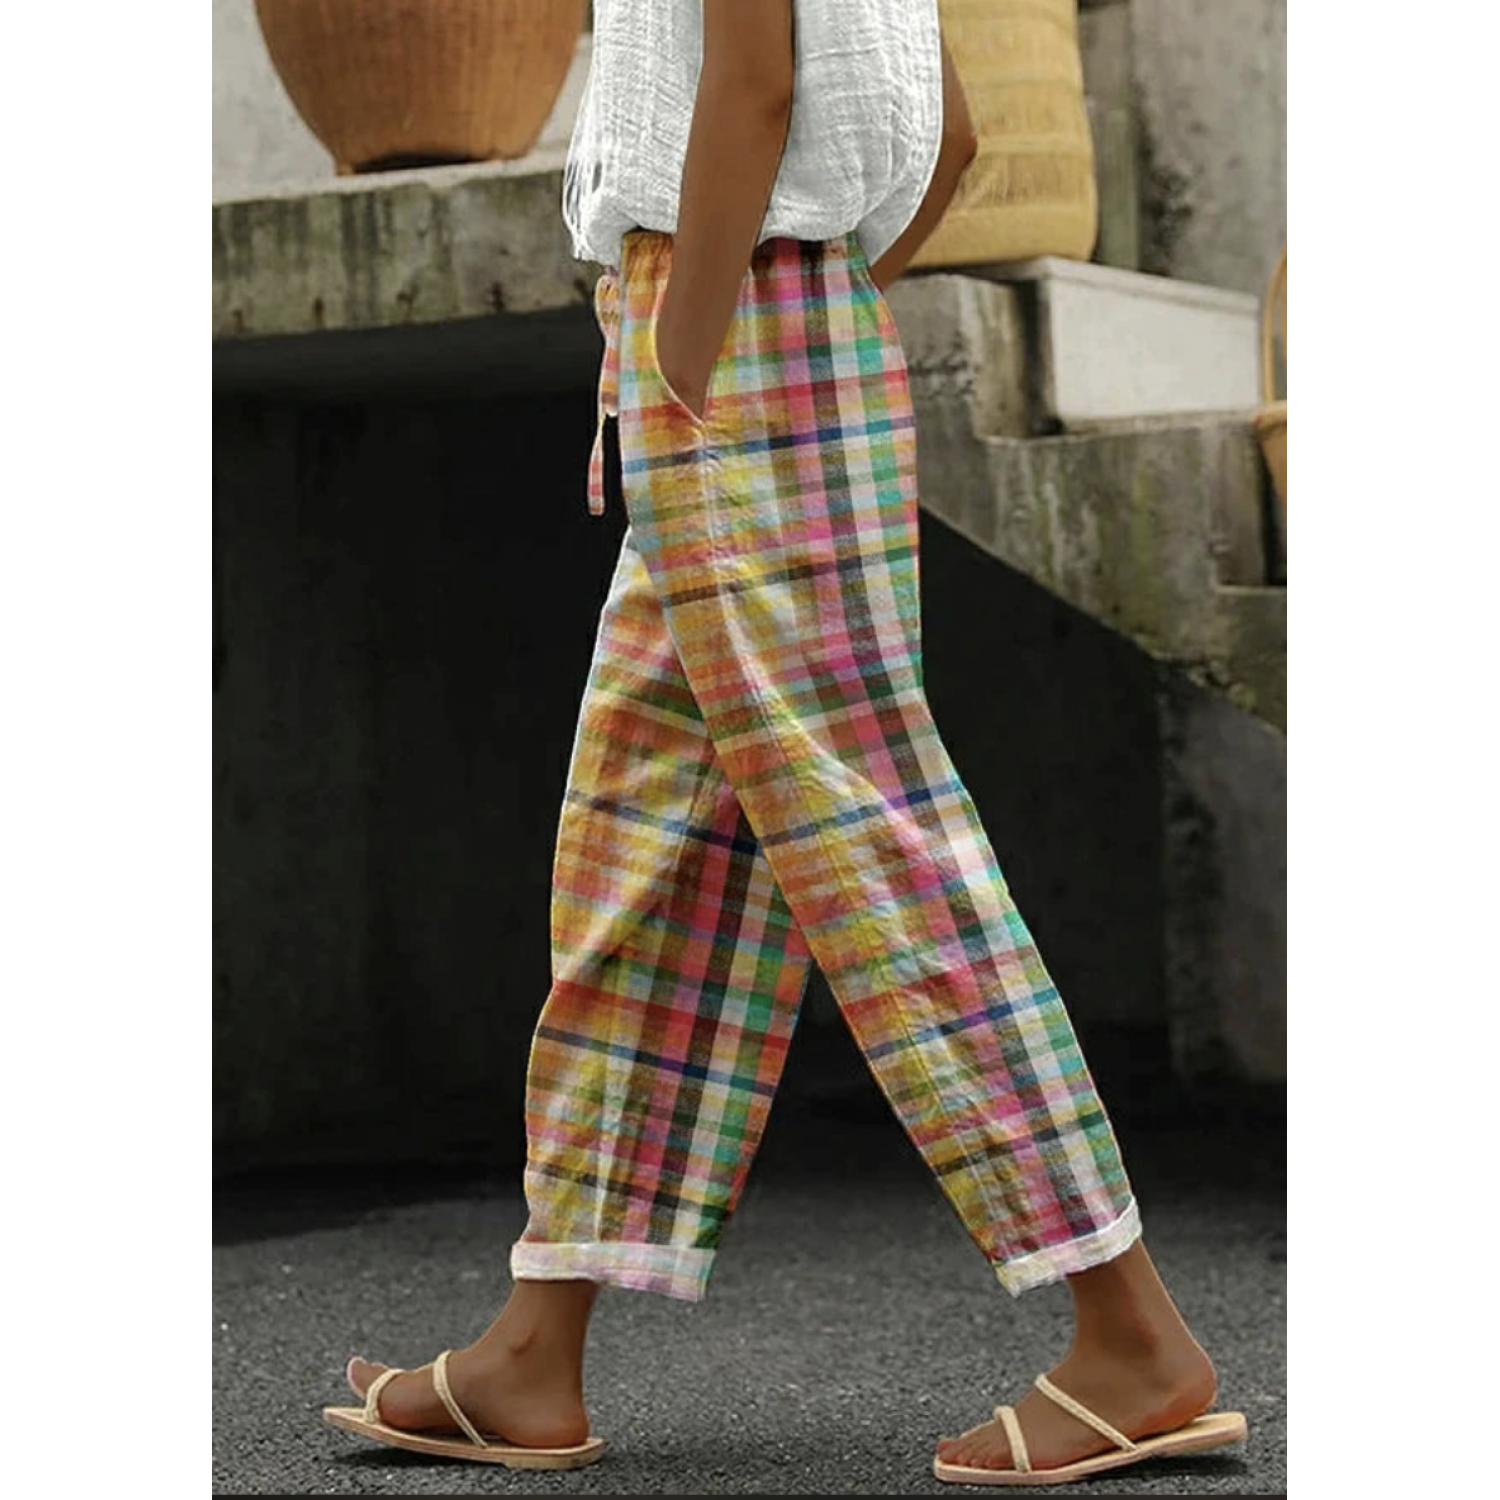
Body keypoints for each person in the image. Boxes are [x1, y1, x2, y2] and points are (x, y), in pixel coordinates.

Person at [322, 0, 1248, 1485]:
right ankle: (533, 1351)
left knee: (874, 846)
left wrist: (688, 352)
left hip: (724, 347)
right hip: (781, 331)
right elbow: (950, 133)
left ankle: (1132, 1333)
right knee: (644, 846)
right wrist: (782, 318)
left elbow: (752, 89)